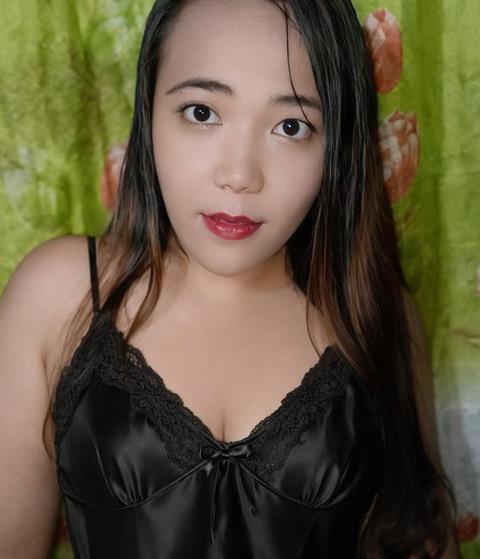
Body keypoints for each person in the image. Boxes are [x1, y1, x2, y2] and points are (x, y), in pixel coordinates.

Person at [0, 1, 459, 557]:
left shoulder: (373, 311)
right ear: (148, 111)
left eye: (291, 127)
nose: (240, 175)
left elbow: (417, 537)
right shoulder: (61, 292)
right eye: (201, 113)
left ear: (336, 144)